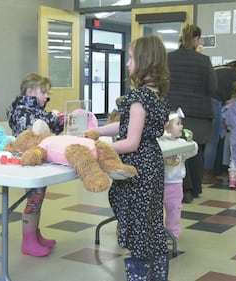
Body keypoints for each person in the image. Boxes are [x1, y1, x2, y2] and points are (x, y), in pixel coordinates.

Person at [85, 35, 170, 280]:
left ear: (145, 61)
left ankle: (140, 273)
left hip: (138, 165)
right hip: (152, 161)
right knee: (151, 221)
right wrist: (98, 132)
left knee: (137, 221)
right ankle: (157, 273)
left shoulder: (138, 98)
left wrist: (99, 149)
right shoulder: (156, 96)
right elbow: (129, 125)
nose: (127, 64)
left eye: (131, 58)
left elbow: (131, 142)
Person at [6, 73, 64, 257]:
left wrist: (57, 122)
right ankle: (28, 240)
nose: (47, 96)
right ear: (30, 92)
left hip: (38, 159)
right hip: (29, 162)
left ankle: (35, 234)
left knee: (38, 199)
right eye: (44, 92)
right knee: (33, 200)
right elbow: (35, 130)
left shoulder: (35, 110)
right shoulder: (21, 110)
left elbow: (47, 130)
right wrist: (51, 118)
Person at [167, 23, 217, 202]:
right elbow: (212, 87)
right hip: (199, 111)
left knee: (177, 149)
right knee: (196, 150)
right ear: (196, 39)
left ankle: (183, 189)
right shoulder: (203, 61)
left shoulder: (169, 58)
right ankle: (195, 189)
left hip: (175, 111)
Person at [160, 109, 198, 240]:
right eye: (178, 123)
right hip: (160, 183)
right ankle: (157, 233)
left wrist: (191, 142)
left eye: (181, 123)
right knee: (156, 211)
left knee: (174, 210)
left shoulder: (182, 144)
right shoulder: (160, 142)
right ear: (167, 127)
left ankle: (173, 233)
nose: (181, 126)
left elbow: (192, 151)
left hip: (175, 184)